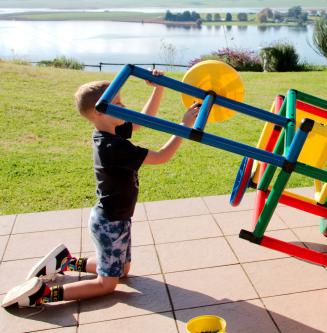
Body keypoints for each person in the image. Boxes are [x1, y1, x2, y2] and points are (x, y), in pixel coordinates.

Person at [2, 70, 200, 308]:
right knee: (107, 284)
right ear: (99, 111)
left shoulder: (109, 129)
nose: (124, 106)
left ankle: (66, 262)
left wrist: (158, 88)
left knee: (123, 270)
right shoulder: (111, 146)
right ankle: (42, 295)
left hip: (118, 218)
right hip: (110, 223)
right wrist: (183, 126)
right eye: (118, 103)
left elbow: (140, 121)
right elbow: (161, 157)